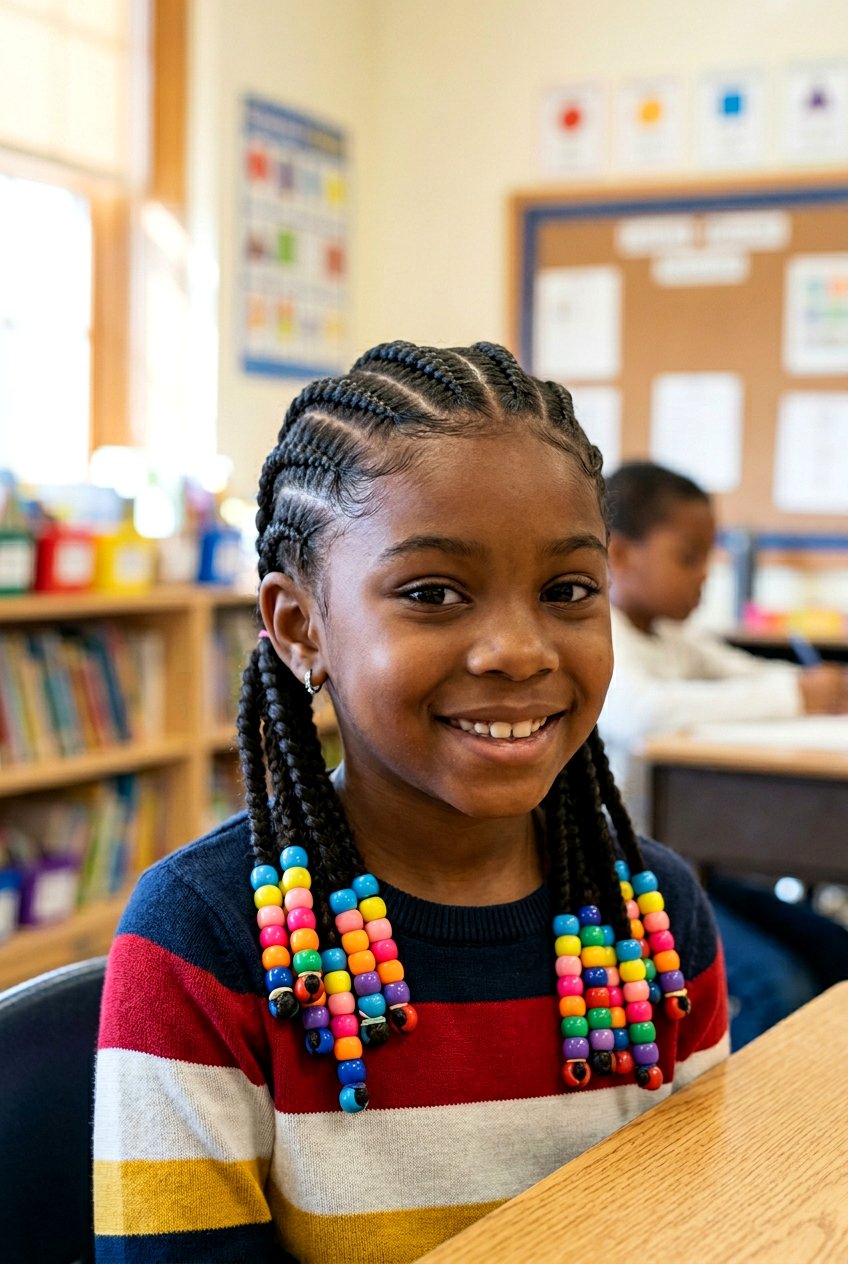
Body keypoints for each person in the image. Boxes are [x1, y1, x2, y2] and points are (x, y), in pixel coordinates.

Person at [93, 345, 728, 1263]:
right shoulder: (204, 941)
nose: (518, 649)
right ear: (301, 627)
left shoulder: (653, 913)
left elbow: (705, 1220)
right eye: (433, 593)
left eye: (568, 591)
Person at [599, 461, 848, 834]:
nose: (705, 573)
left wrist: (812, 683)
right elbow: (644, 711)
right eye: (688, 557)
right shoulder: (599, 633)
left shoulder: (671, 635)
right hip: (618, 854)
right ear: (619, 555)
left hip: (677, 836)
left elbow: (739, 668)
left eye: (707, 557)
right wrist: (795, 695)